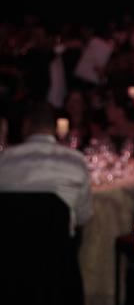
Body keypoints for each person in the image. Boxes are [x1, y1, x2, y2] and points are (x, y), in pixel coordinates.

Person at [0, 101, 92, 237]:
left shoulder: (4, 159)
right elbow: (83, 217)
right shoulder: (77, 161)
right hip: (59, 253)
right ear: (55, 128)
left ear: (25, 126)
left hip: (8, 251)